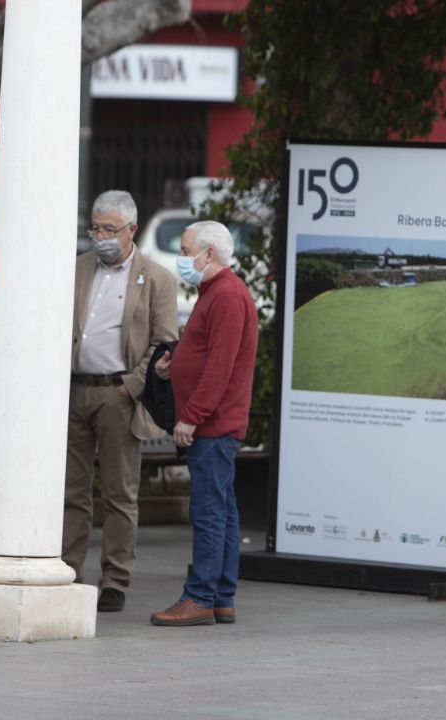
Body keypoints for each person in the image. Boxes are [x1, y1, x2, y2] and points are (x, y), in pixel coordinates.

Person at [63, 190, 178, 613]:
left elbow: (165, 343)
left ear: (131, 229)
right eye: (95, 228)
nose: (100, 236)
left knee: (119, 492)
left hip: (117, 394)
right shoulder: (78, 269)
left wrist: (130, 387)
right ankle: (67, 570)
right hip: (75, 389)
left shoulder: (157, 278)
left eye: (109, 229)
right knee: (72, 491)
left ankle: (114, 578)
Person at [150, 220, 258, 627]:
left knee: (210, 512)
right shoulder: (215, 292)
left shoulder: (227, 295)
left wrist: (190, 417)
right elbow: (206, 356)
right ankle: (220, 597)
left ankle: (199, 597)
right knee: (223, 511)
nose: (181, 257)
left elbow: (219, 367)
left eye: (184, 248)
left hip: (213, 427)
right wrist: (172, 369)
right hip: (214, 425)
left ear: (208, 253)